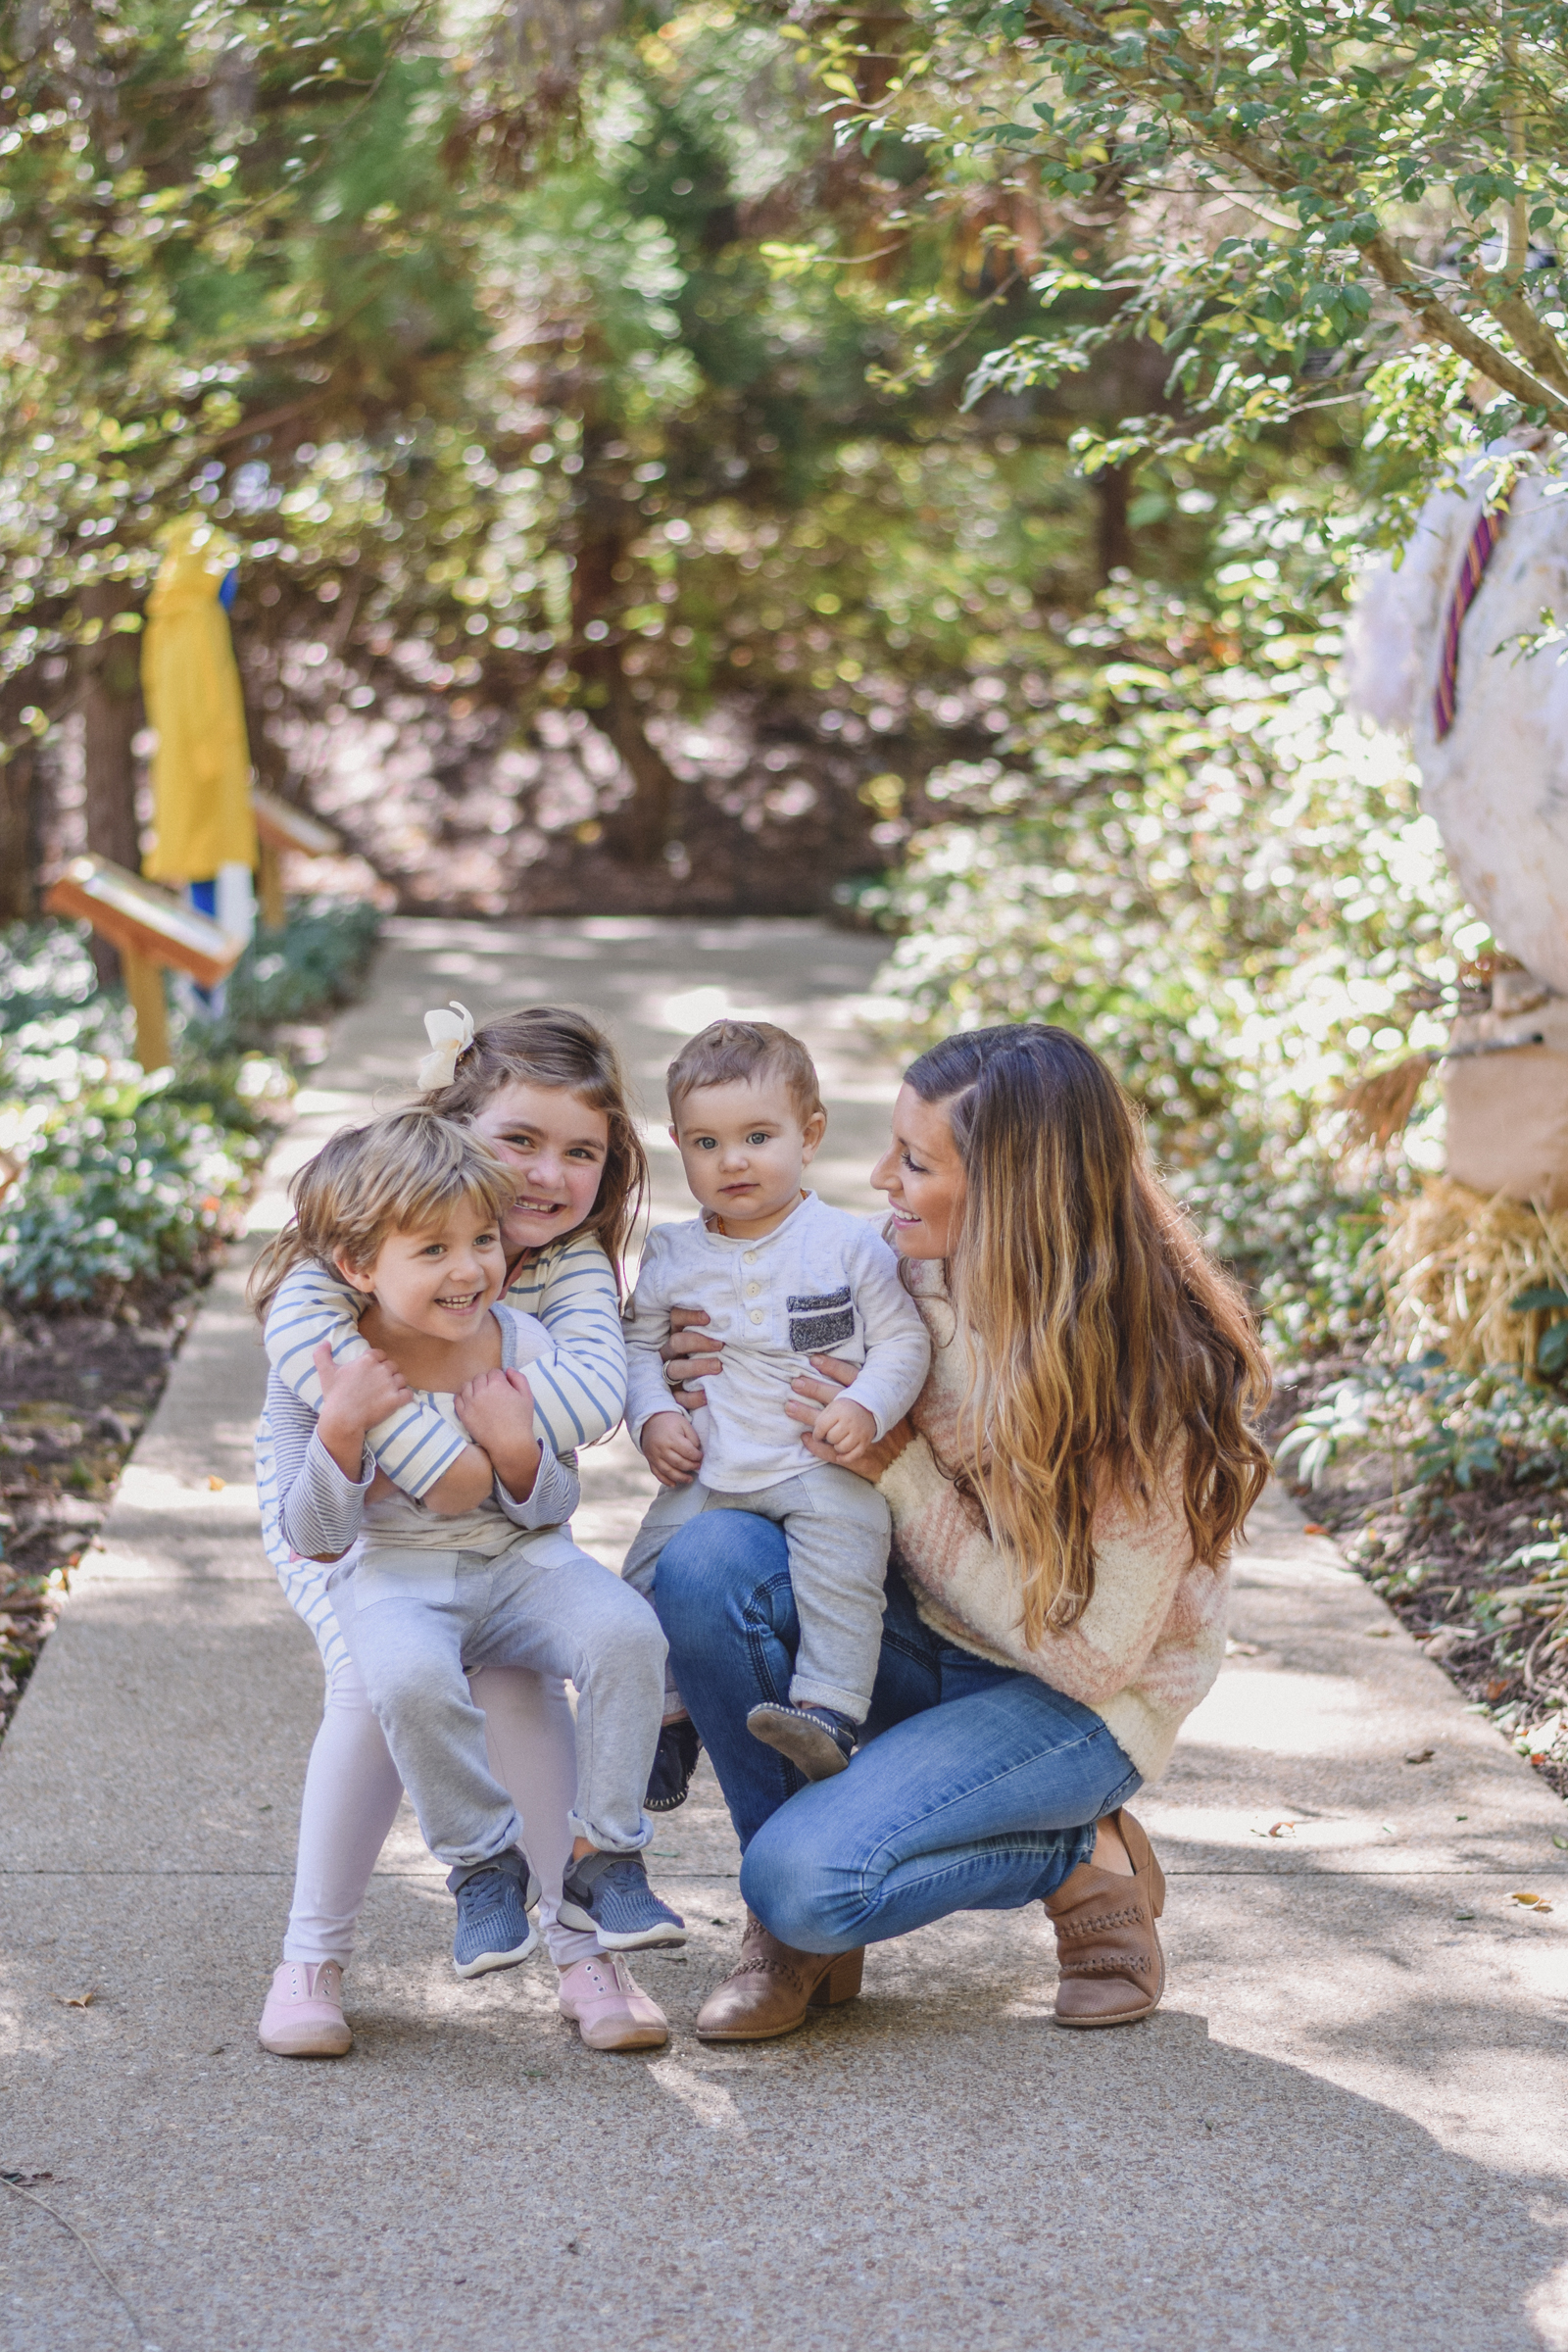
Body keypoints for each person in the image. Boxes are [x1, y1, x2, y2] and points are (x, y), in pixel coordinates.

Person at [653, 1023, 1271, 2041]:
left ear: (1011, 1190)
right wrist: (702, 1358)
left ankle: (1078, 1861)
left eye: (914, 1160)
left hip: (1074, 1704)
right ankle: (795, 1938)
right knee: (708, 1563)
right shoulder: (896, 1275)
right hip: (922, 1634)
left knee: (803, 1876)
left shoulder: (1146, 1374)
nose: (877, 1177)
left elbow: (1089, 1657)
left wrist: (900, 1476)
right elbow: (761, 1318)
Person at [254, 1004, 671, 2058]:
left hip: (508, 1528)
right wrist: (440, 1456)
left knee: (520, 1676)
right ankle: (311, 1955)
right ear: (453, 1130)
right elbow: (323, 1398)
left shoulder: (569, 1268)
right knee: (373, 1677)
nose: (546, 1176)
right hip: (347, 1525)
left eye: (581, 1152)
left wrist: (504, 1450)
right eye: (518, 1142)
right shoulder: (337, 1268)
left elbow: (591, 1398)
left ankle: (582, 1948)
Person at [621, 1020, 930, 1788]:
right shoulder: (671, 1255)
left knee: (846, 1562)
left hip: (812, 1460)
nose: (732, 1161)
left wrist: (865, 1404)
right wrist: (655, 1413)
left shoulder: (848, 1244)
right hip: (709, 1466)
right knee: (639, 1581)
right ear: (678, 1143)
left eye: (759, 1136)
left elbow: (903, 1342)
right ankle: (664, 1722)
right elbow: (636, 1349)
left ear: (811, 1133)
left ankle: (828, 1713)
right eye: (705, 1143)